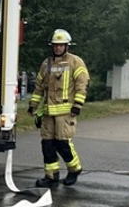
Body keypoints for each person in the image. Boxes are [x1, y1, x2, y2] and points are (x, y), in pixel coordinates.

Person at [27, 29, 89, 187]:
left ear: (67, 46)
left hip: (65, 113)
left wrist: (77, 105)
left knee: (63, 144)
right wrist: (33, 105)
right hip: (48, 113)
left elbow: (82, 85)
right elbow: (39, 87)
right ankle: (51, 176)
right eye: (55, 45)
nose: (58, 48)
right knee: (47, 145)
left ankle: (74, 169)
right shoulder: (46, 64)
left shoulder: (76, 62)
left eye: (61, 45)